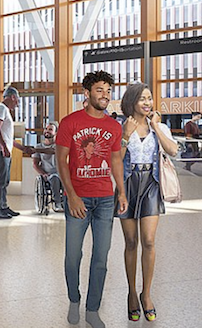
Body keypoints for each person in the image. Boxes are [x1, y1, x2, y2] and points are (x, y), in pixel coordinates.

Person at [58, 71, 128, 328]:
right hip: (78, 199)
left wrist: (121, 191)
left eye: (108, 91)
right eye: (100, 90)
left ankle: (92, 309)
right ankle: (74, 299)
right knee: (73, 256)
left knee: (101, 258)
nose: (105, 95)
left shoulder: (113, 126)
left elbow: (116, 160)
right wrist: (72, 196)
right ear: (86, 93)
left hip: (105, 200)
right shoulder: (70, 122)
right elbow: (61, 161)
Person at [118, 83, 178, 322]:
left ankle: (147, 294)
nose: (147, 102)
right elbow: (114, 160)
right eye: (142, 98)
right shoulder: (120, 126)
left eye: (149, 98)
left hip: (151, 185)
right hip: (127, 185)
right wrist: (125, 135)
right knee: (131, 242)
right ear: (131, 102)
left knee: (149, 241)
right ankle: (132, 293)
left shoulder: (159, 126)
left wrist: (155, 126)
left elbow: (172, 150)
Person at [0, 86, 33, 219]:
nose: (18, 103)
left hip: (4, 150)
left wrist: (22, 148)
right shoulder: (1, 108)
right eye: (17, 100)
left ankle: (4, 206)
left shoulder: (4, 110)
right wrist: (4, 147)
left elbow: (7, 136)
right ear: (13, 97)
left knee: (4, 180)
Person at [32, 121, 63, 213]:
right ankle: (57, 203)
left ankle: (66, 203)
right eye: (46, 129)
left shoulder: (59, 146)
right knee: (54, 177)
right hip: (49, 174)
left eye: (50, 129)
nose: (47, 131)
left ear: (56, 133)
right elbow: (35, 164)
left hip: (60, 173)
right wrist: (43, 173)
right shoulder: (38, 146)